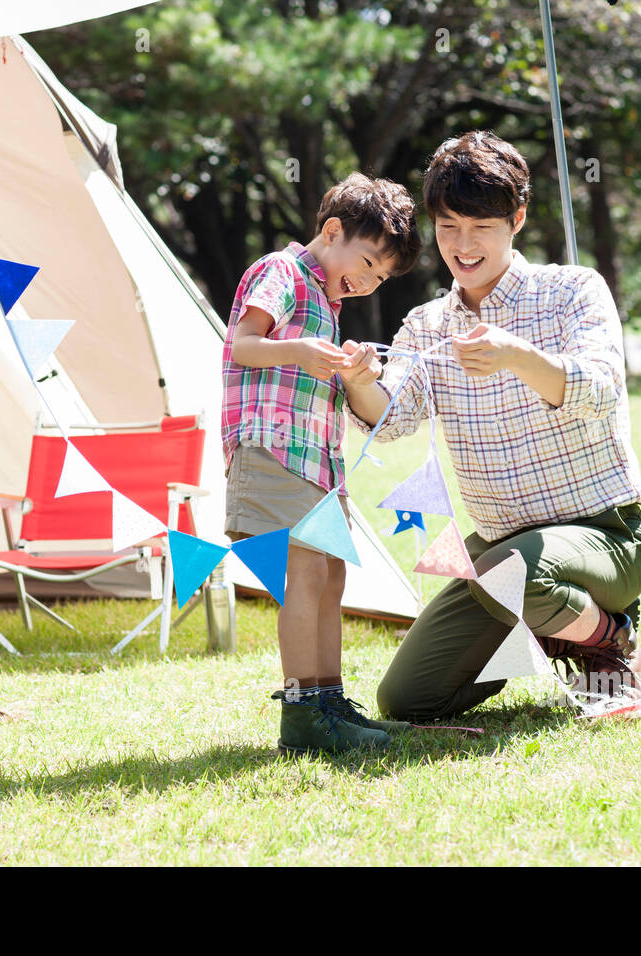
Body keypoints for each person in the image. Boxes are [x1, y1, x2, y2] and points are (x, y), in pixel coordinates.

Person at [338, 131, 641, 721]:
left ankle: (610, 639)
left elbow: (601, 389)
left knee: (512, 570)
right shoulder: (427, 323)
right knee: (407, 700)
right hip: (498, 554)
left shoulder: (571, 290)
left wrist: (517, 355)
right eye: (448, 225)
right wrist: (359, 379)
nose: (463, 245)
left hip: (609, 537)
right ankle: (554, 629)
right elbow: (390, 419)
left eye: (480, 226)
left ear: (517, 218)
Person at [222, 172, 422, 754]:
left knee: (331, 577)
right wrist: (303, 350)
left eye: (378, 279)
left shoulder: (327, 300)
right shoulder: (281, 273)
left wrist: (351, 370)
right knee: (306, 577)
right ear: (332, 231)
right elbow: (242, 343)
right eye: (365, 264)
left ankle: (330, 700)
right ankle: (302, 712)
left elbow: (318, 382)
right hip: (273, 451)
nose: (365, 283)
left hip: (317, 462)